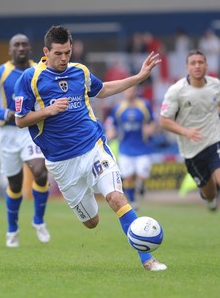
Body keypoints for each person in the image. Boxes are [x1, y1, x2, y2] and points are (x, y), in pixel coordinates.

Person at [14, 25, 167, 271]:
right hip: (62, 163)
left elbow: (103, 89)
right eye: (58, 53)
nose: (64, 58)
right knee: (92, 222)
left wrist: (138, 77)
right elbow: (20, 120)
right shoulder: (30, 78)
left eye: (68, 52)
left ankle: (147, 260)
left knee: (117, 198)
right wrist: (47, 111)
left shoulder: (80, 72)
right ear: (46, 51)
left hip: (93, 147)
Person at [0, 34, 51, 247]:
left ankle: (38, 220)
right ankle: (12, 230)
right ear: (10, 50)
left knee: (40, 171)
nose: (21, 48)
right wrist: (5, 114)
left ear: (30, 49)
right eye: (16, 45)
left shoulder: (40, 70)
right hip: (7, 134)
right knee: (15, 184)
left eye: (24, 45)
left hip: (30, 128)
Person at [160, 49, 219, 211]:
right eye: (193, 63)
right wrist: (186, 132)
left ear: (206, 65)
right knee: (210, 193)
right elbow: (164, 121)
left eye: (200, 62)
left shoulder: (216, 85)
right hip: (192, 150)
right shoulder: (176, 91)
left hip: (215, 140)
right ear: (187, 67)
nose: (197, 66)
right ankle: (209, 198)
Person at [105, 85, 156, 210]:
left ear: (136, 92)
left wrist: (151, 129)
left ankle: (141, 186)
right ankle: (132, 201)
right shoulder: (119, 107)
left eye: (132, 90)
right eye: (127, 90)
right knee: (127, 176)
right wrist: (110, 131)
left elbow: (152, 120)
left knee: (142, 175)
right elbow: (111, 122)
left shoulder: (144, 105)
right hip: (125, 147)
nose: (130, 93)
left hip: (142, 147)